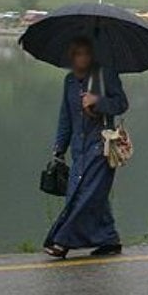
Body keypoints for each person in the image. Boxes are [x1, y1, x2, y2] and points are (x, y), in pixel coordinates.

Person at [43, 37, 129, 259]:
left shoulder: (105, 76)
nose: (82, 58)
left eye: (86, 53)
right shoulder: (70, 81)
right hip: (78, 150)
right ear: (72, 56)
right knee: (86, 194)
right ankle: (109, 239)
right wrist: (59, 148)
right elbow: (66, 117)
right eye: (78, 53)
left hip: (102, 147)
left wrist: (97, 101)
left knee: (86, 194)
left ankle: (61, 241)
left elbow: (121, 104)